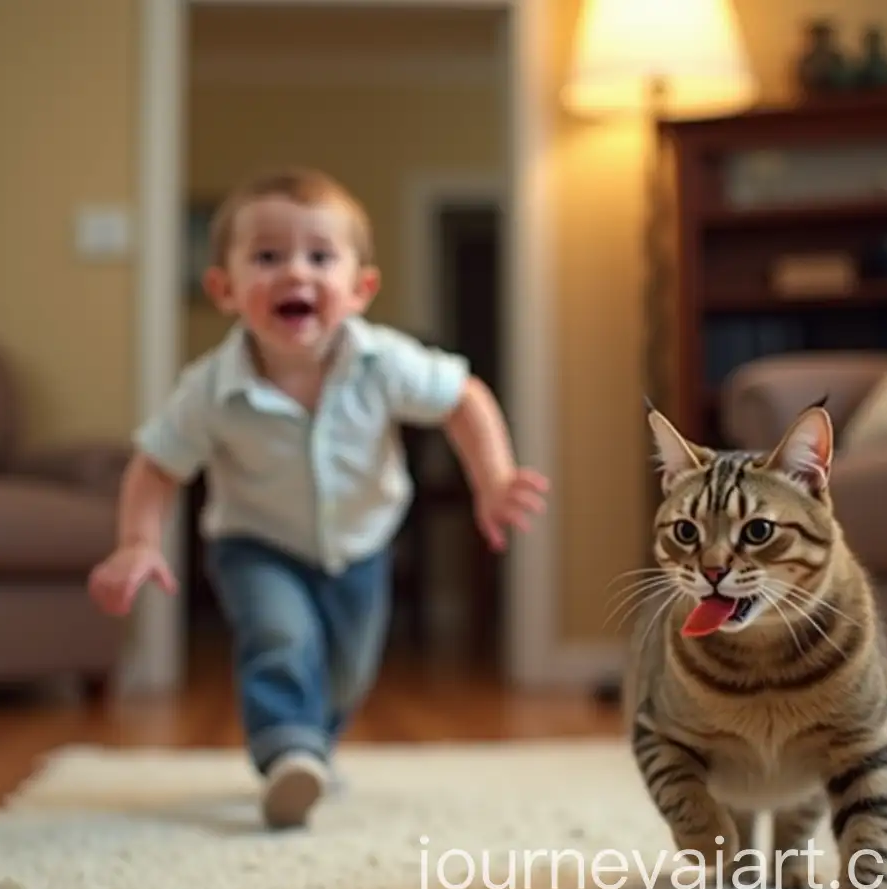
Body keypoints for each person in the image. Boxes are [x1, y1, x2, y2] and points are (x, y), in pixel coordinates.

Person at [87, 166, 549, 829]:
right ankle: (285, 752)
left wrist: (494, 478)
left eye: (320, 257)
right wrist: (137, 541)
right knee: (280, 638)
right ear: (224, 288)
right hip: (256, 546)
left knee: (346, 671)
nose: (296, 273)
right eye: (268, 257)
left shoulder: (384, 361)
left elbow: (463, 399)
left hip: (361, 546)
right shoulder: (208, 388)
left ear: (360, 289)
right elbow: (156, 465)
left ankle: (311, 751)